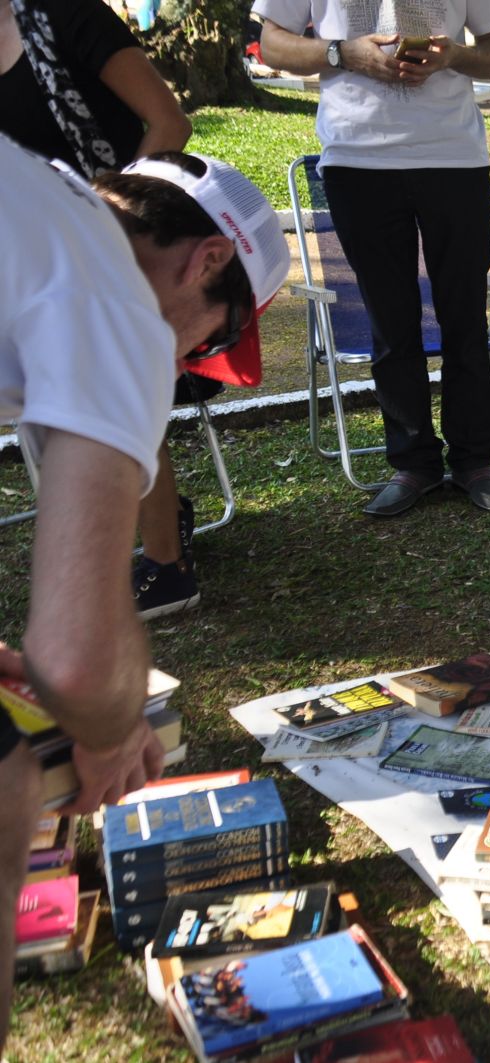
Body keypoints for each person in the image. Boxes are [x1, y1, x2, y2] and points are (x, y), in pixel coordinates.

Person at [0, 136, 287, 1049]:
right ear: (205, 261)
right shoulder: (119, 304)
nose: (186, 362)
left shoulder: (40, 201)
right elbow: (79, 660)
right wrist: (111, 724)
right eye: (209, 337)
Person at [0, 0, 225, 619]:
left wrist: (105, 229)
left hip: (121, 239)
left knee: (101, 384)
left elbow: (167, 123)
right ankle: (139, 520)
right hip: (31, 256)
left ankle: (166, 564)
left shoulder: (67, 15)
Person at [254, 0, 490, 517]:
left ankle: (475, 462)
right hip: (358, 160)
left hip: (454, 159)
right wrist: (342, 53)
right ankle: (413, 463)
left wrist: (453, 57)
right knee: (390, 320)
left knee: (463, 315)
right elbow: (272, 43)